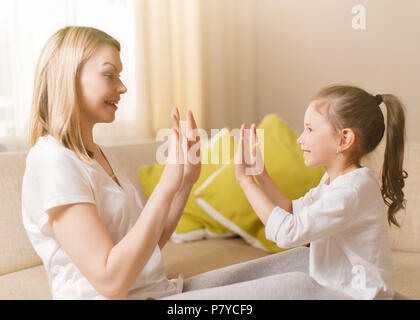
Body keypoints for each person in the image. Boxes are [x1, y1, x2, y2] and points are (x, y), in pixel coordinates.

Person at [22, 26, 201, 300]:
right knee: (290, 285)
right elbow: (111, 282)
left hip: (155, 291)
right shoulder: (52, 161)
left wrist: (185, 182)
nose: (123, 87)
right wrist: (166, 183)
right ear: (68, 79)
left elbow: (147, 247)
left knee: (289, 268)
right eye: (110, 75)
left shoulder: (98, 155)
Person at [233, 85, 408, 299]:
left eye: (310, 129)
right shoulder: (334, 180)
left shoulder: (352, 190)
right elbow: (292, 211)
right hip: (333, 287)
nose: (301, 138)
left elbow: (288, 233)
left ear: (344, 139)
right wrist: (261, 176)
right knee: (293, 263)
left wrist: (245, 181)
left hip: (356, 295)